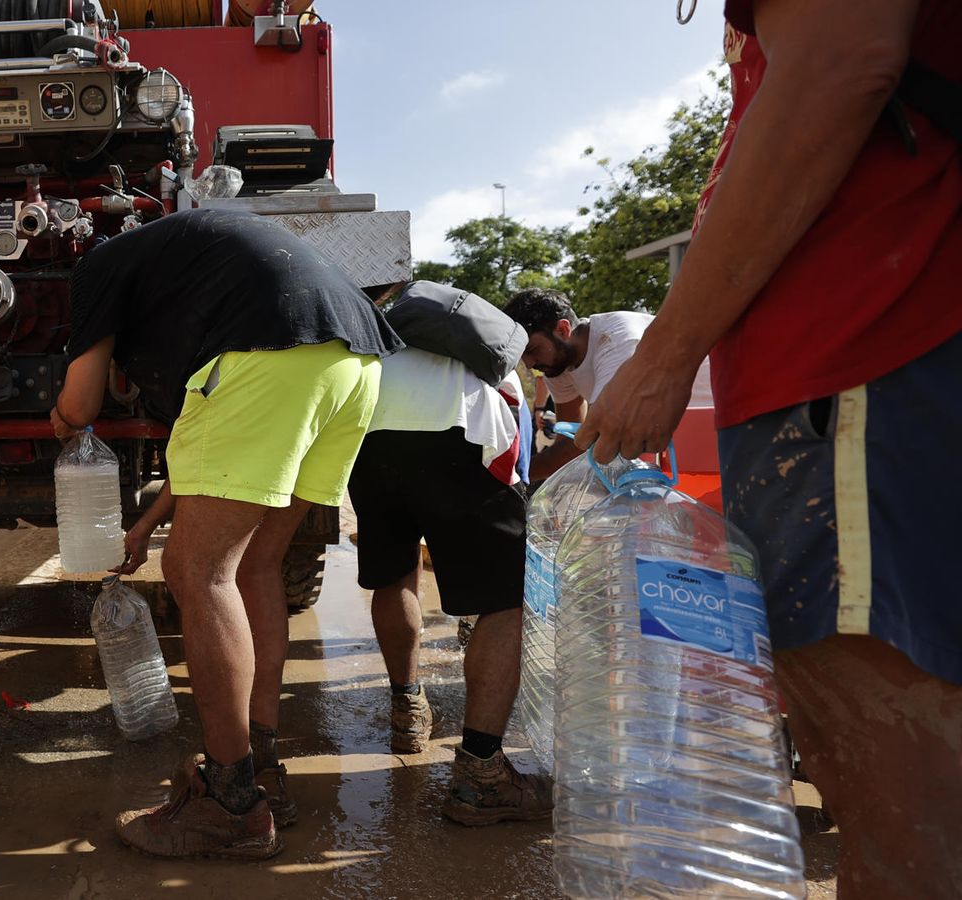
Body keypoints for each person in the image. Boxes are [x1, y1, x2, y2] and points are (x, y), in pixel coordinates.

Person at [575, 2, 962, 894]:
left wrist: (665, 358)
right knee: (856, 761)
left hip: (858, 356)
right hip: (843, 382)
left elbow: (841, 63)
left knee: (898, 787)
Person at [53, 208, 401, 859]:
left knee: (198, 573)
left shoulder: (97, 266)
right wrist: (149, 523)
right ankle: (259, 763)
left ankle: (230, 802)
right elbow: (209, 457)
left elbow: (80, 404)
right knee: (255, 565)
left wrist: (62, 418)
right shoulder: (188, 262)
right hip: (353, 364)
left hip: (268, 359)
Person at [346, 330, 552, 824]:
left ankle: (407, 710)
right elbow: (515, 445)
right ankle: (482, 774)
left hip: (368, 437)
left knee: (395, 575)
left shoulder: (379, 339)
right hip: (458, 433)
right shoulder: (483, 345)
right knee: (507, 598)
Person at [503, 289, 711, 481]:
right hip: (677, 446)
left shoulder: (616, 340)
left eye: (532, 349)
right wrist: (510, 476)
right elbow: (571, 445)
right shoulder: (557, 364)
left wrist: (515, 475)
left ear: (563, 329)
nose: (528, 364)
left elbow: (603, 437)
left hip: (707, 437)